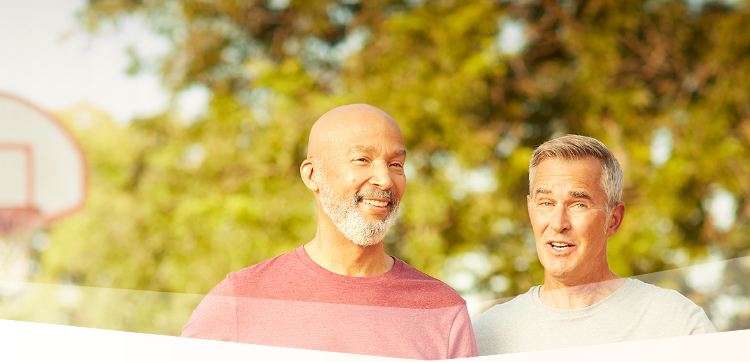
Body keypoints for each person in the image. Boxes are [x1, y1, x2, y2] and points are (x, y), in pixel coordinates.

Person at [182, 104, 478, 359]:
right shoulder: (239, 300)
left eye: (396, 164)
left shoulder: (443, 311)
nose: (385, 179)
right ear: (313, 175)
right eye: (362, 159)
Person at [472, 135, 716, 356]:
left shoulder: (674, 323)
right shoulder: (483, 337)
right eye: (546, 203)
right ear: (530, 210)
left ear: (613, 219)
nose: (558, 224)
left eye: (578, 204)